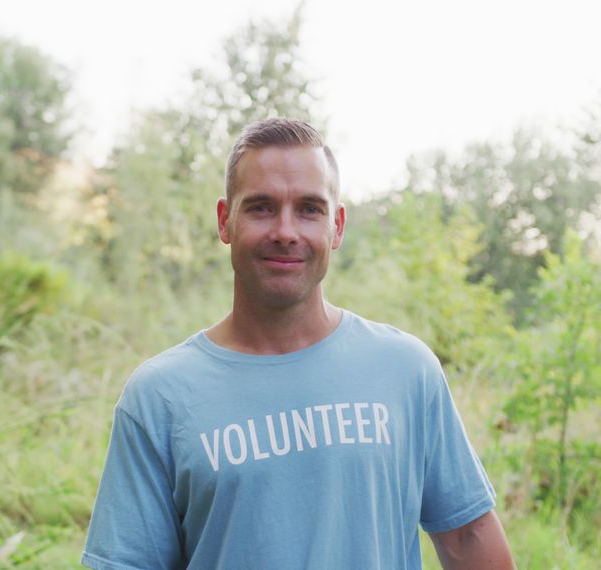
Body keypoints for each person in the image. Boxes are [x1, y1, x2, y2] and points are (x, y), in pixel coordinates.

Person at [82, 118, 515, 569]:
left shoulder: (405, 370)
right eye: (261, 208)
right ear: (225, 220)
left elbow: (468, 537)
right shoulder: (160, 397)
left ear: (337, 226)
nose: (286, 231)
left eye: (309, 209)